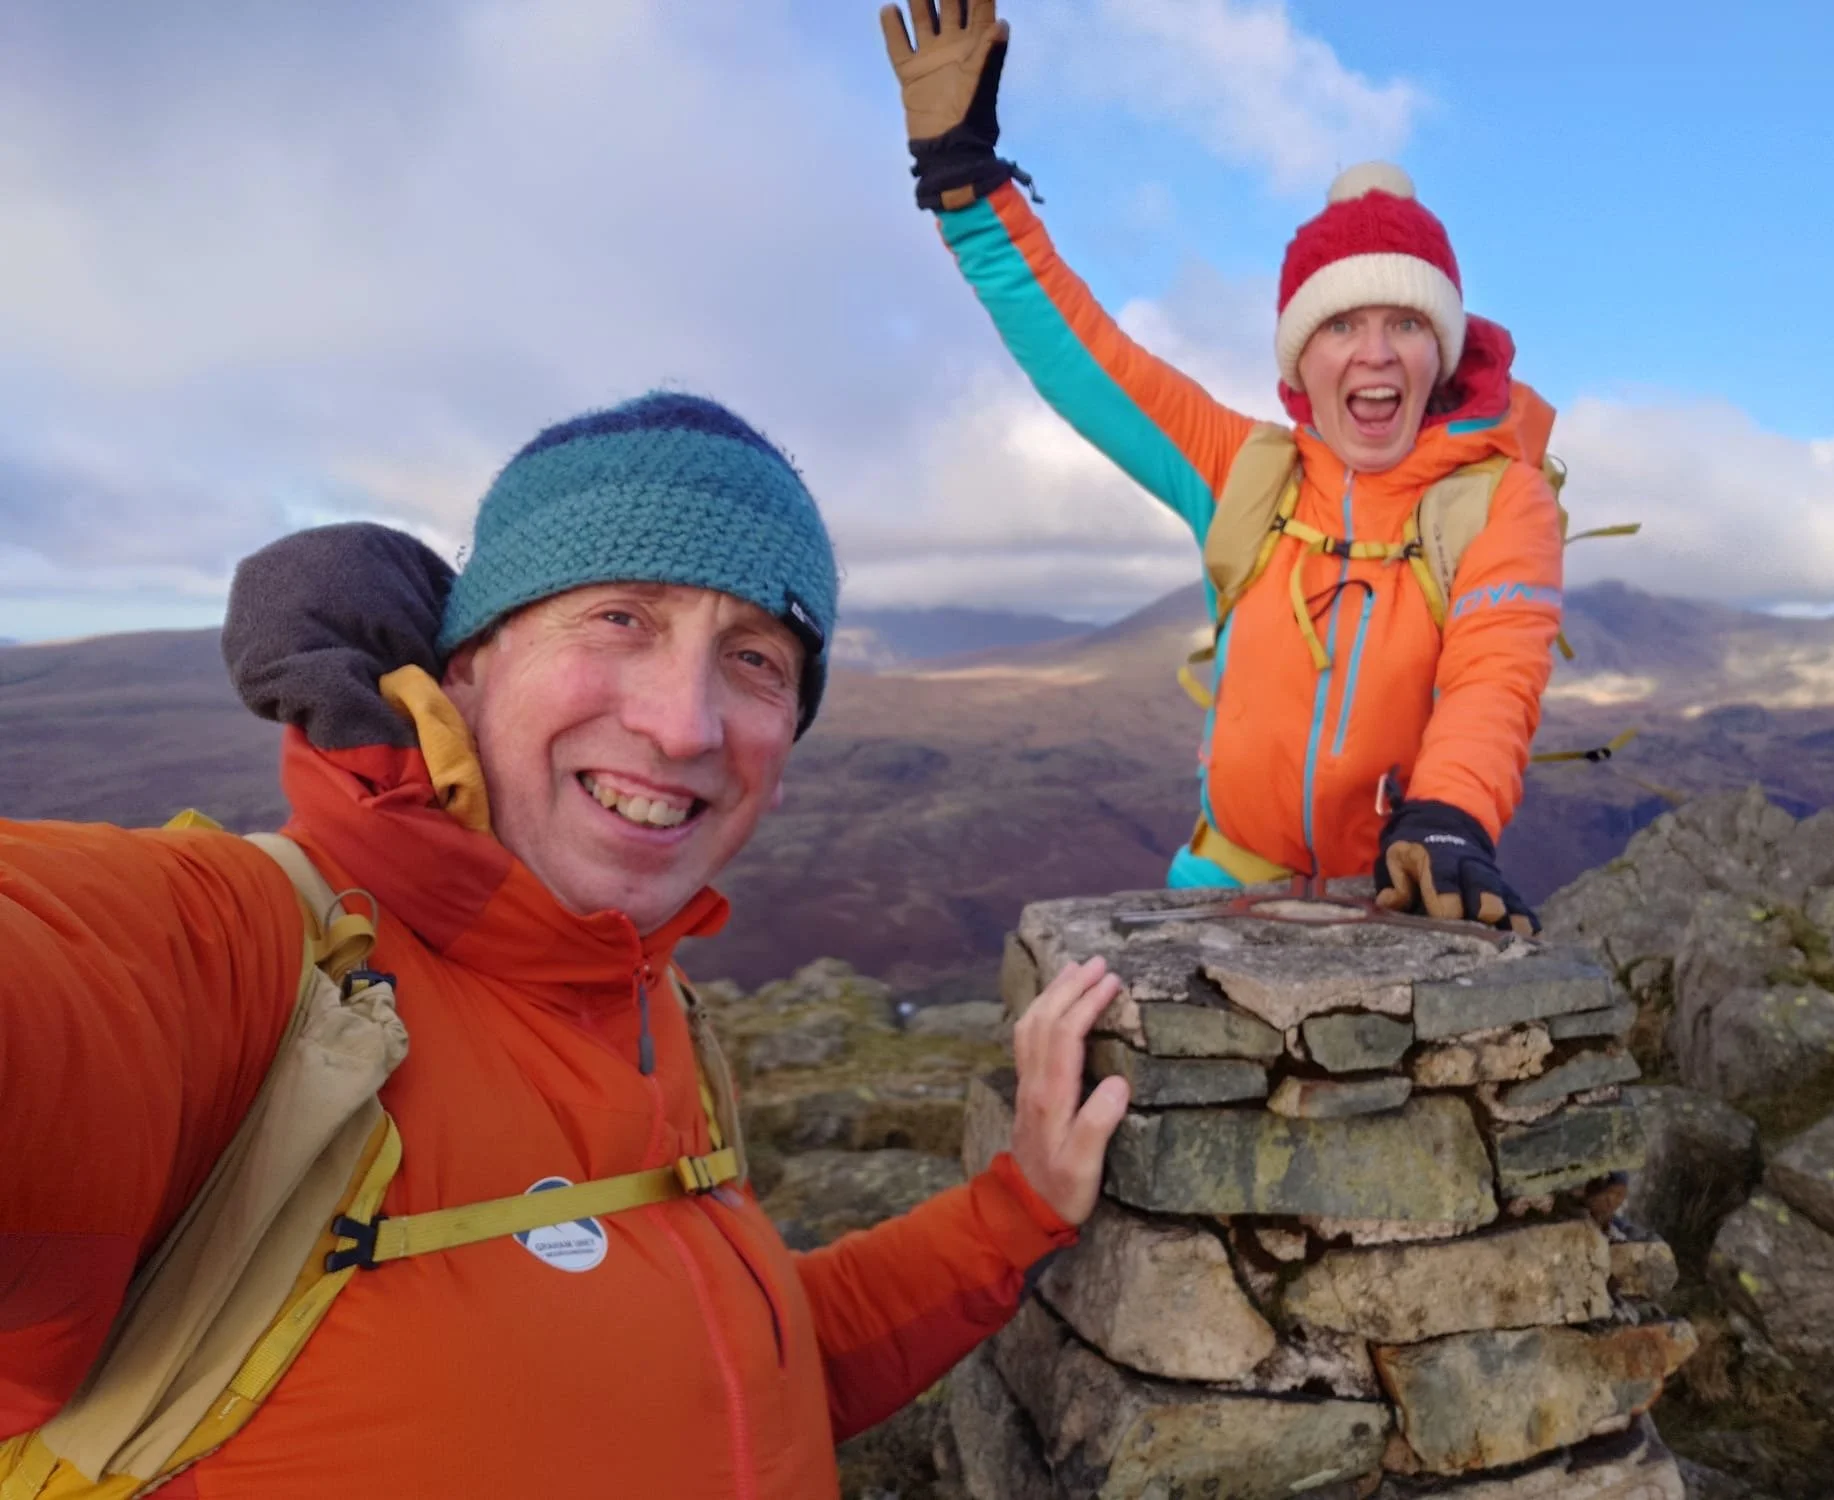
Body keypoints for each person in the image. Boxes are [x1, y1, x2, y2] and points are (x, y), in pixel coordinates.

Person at [0, 392, 1132, 1497]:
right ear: (467, 668)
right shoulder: (236, 958)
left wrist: (1015, 1208)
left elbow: (742, 1375)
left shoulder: (649, 1006)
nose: (681, 725)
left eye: (756, 659)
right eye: (620, 617)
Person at [880, 1, 1564, 932]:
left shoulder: (1499, 501)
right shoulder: (1245, 471)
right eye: (1341, 323)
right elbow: (1087, 359)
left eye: (1406, 322)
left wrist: (1448, 815)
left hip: (1397, 894)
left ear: (1440, 353)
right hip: (1218, 892)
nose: (1375, 354)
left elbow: (1496, 677)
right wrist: (965, 188)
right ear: (1300, 360)